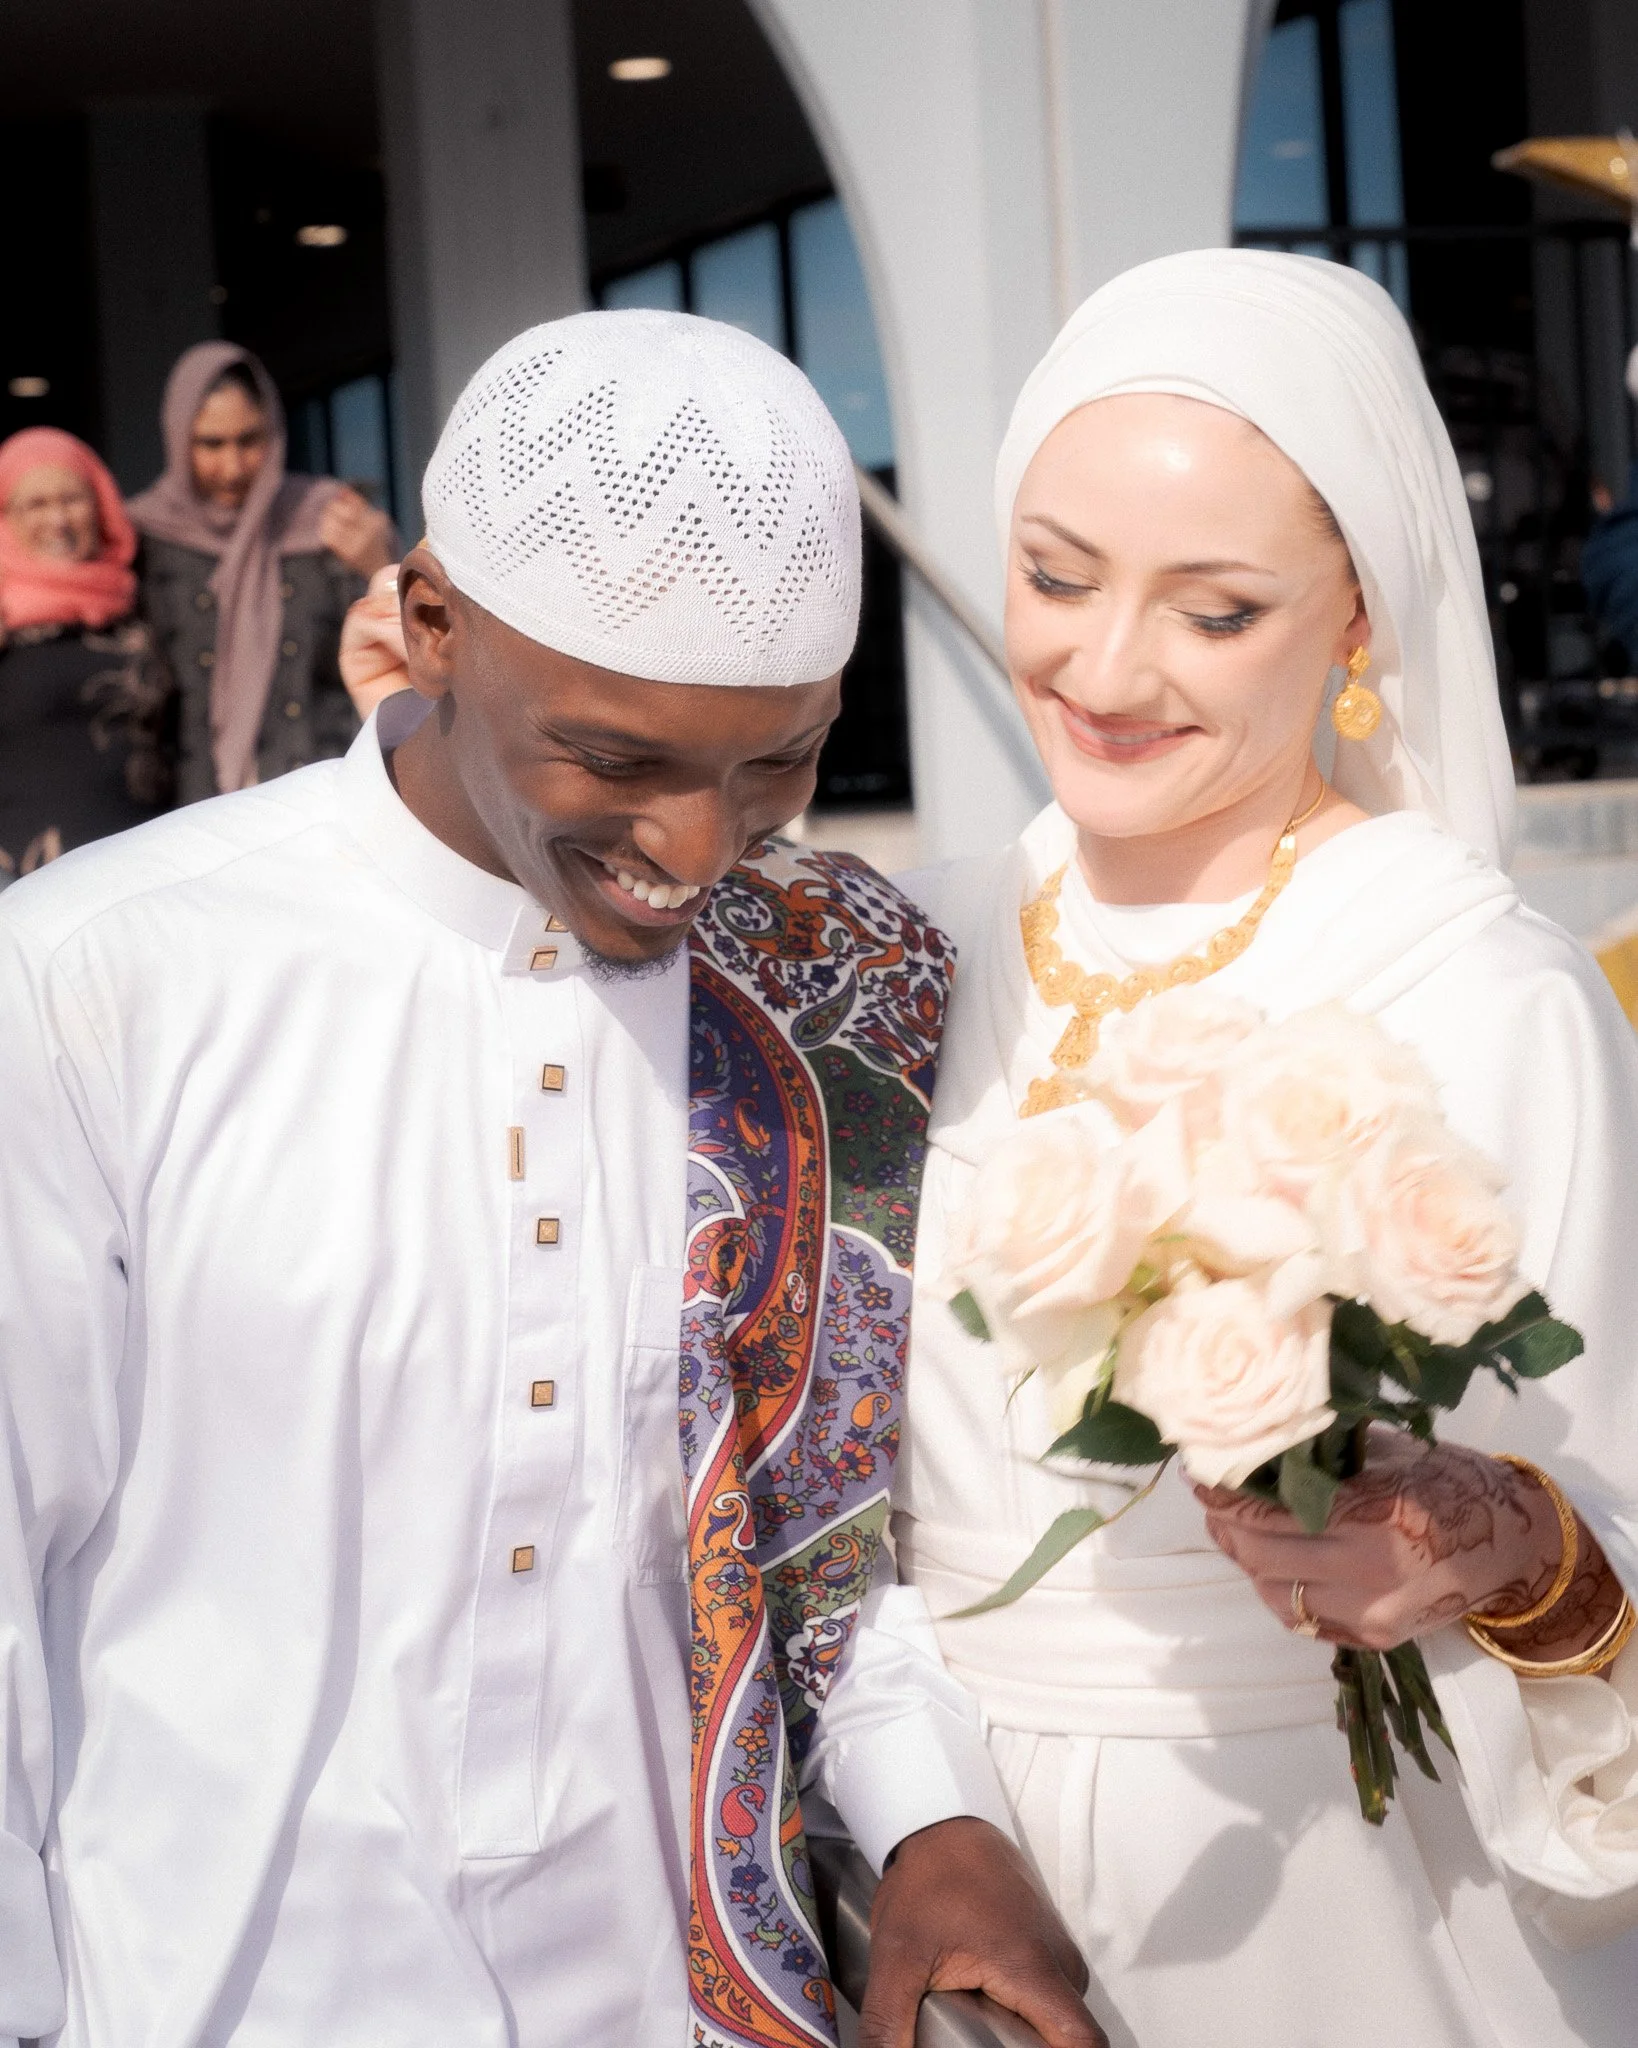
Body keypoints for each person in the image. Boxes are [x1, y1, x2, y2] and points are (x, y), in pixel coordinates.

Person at [0, 312, 1100, 2048]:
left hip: (661, 1988)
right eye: (617, 758)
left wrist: (932, 1824)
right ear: (431, 622)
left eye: (775, 762)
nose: (695, 846)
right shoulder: (93, 984)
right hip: (205, 1981)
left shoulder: (824, 987)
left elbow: (824, 1531)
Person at [892, 250, 1638, 2048]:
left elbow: (1597, 1525)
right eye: (1053, 576)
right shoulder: (916, 945)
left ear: (1358, 617)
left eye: (1212, 611)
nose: (1105, 663)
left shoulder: (1473, 987)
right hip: (950, 1875)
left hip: (1340, 1895)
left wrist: (1486, 1544)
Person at [127, 341, 396, 804]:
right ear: (177, 437)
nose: (232, 467)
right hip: (190, 814)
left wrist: (380, 565)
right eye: (211, 444)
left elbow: (399, 649)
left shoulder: (328, 523)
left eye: (249, 441)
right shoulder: (141, 541)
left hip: (317, 800)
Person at [0, 426, 166, 879]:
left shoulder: (134, 604)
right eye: (35, 504)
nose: (58, 520)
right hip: (22, 883)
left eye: (72, 499)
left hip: (140, 869)